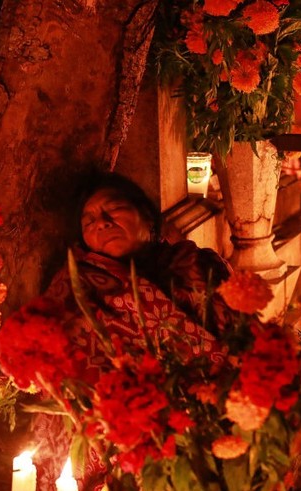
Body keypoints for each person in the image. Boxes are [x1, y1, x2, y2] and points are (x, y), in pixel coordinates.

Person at [32, 170, 242, 489]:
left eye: (112, 209)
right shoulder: (77, 289)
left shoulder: (197, 266)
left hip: (214, 425)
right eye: (88, 220)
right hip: (123, 448)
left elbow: (239, 341)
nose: (100, 221)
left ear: (146, 217)